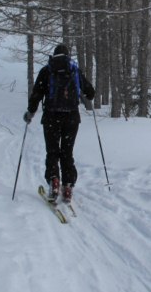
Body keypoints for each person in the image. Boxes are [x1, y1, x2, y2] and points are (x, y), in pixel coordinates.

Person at [24, 44, 95, 203]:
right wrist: (86, 94)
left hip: (51, 117)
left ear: (54, 56)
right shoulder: (74, 70)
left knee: (52, 151)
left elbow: (36, 94)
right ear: (67, 55)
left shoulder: (47, 71)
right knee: (67, 152)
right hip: (71, 118)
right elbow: (90, 92)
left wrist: (30, 112)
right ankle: (68, 186)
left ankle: (54, 181)